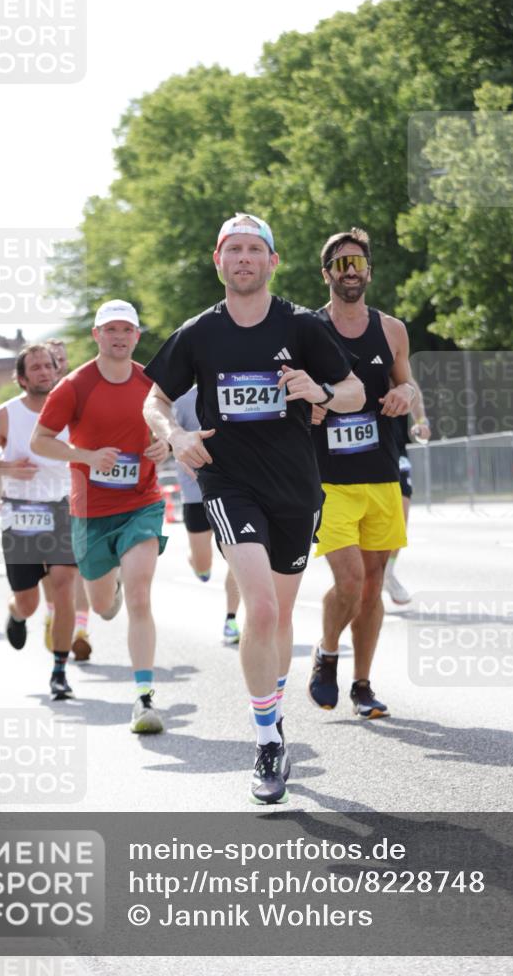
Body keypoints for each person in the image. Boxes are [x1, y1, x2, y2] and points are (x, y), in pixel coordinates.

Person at [143, 212, 364, 804]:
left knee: (281, 614)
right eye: (233, 249)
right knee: (260, 608)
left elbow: (354, 391)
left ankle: (274, 713)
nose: (243, 258)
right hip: (228, 483)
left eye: (254, 249)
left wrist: (320, 390)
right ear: (218, 261)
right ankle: (266, 740)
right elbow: (155, 399)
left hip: (295, 488)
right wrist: (174, 435)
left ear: (272, 261)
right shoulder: (199, 332)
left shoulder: (302, 326)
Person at [31, 300, 170, 733]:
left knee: (141, 597)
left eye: (127, 330)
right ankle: (115, 581)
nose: (119, 337)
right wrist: (86, 456)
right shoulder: (74, 386)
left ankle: (144, 698)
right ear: (97, 335)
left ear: (136, 336)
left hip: (143, 502)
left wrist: (164, 445)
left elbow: (169, 427)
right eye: (111, 329)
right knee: (103, 607)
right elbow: (40, 441)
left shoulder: (151, 383)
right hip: (91, 512)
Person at [308, 228, 414, 720]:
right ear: (326, 273)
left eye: (357, 263)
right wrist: (306, 408)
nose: (350, 272)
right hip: (329, 479)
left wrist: (405, 394)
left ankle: (363, 684)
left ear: (369, 271)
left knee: (373, 585)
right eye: (341, 264)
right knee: (349, 580)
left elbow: (406, 384)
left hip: (381, 474)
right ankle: (327, 650)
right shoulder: (308, 330)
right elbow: (288, 389)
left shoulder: (391, 330)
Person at [0, 345, 78, 700]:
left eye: (49, 365)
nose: (44, 371)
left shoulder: (73, 408)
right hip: (20, 512)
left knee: (64, 584)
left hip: (63, 508)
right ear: (21, 378)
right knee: (28, 602)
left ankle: (59, 671)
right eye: (36, 367)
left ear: (57, 371)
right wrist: (8, 468)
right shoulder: (6, 414)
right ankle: (16, 614)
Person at [173, 387, 242, 644]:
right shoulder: (183, 400)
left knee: (240, 558)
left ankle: (231, 619)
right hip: (196, 493)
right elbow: (172, 440)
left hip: (235, 491)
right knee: (204, 568)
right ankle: (195, 560)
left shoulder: (234, 390)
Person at [42, 337, 92, 661]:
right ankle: (53, 614)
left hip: (80, 492)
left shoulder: (80, 393)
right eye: (52, 360)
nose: (58, 364)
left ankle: (81, 630)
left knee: (80, 566)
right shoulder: (36, 403)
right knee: (52, 569)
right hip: (45, 496)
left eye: (62, 359)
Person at [384, 383, 431, 605]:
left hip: (396, 448)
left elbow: (412, 387)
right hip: (360, 448)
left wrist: (421, 421)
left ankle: (387, 573)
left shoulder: (395, 361)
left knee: (400, 521)